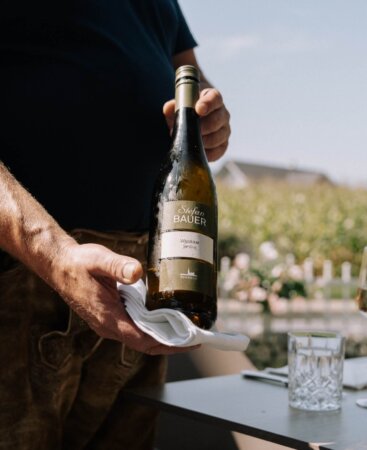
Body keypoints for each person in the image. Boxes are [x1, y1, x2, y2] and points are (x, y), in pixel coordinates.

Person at [0, 1, 230, 448]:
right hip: (23, 274)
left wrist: (211, 117)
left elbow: (193, 78)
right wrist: (52, 251)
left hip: (144, 286)